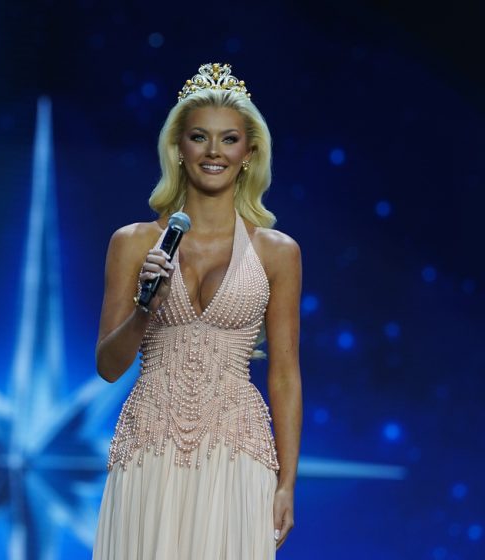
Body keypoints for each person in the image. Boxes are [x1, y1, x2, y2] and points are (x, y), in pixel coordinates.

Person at [93, 63, 302, 559]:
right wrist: (147, 309)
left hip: (238, 451)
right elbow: (107, 367)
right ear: (178, 149)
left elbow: (286, 375)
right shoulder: (132, 242)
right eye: (199, 137)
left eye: (228, 139)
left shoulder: (278, 252)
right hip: (150, 447)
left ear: (249, 154)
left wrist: (287, 485)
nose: (214, 152)